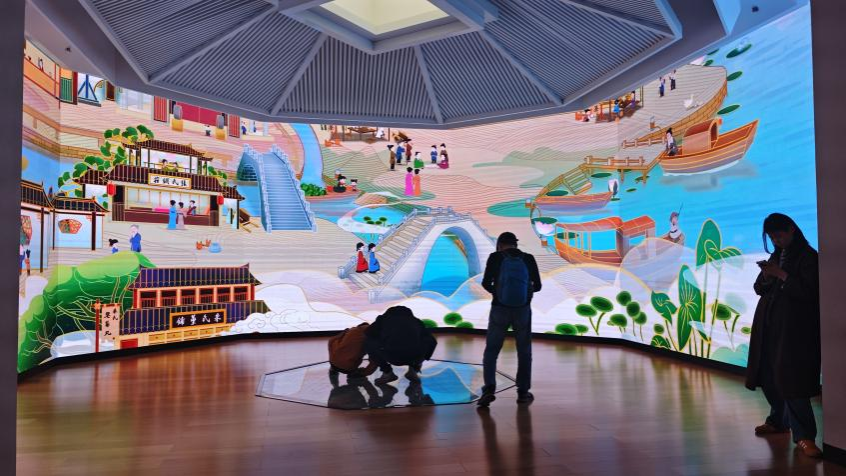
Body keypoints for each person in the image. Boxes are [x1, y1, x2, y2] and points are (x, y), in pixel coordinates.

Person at [745, 213, 822, 458]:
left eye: (779, 235)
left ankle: (805, 436)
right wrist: (767, 276)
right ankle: (778, 420)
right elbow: (759, 288)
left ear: (791, 230)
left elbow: (810, 292)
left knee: (792, 379)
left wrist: (781, 275)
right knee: (769, 374)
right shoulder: (777, 256)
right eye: (772, 237)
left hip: (794, 328)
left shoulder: (808, 257)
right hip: (770, 325)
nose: (776, 241)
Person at [478, 232, 542, 407]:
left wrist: (497, 293)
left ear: (500, 244)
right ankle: (523, 392)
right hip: (522, 310)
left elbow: (485, 283)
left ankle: (489, 389)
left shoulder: (495, 257)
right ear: (515, 244)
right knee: (524, 351)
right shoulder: (528, 258)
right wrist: (526, 295)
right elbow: (538, 286)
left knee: (492, 350)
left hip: (499, 309)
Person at [363, 306, 438, 384]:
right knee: (427, 340)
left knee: (369, 341)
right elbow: (433, 342)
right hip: (414, 357)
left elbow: (368, 333)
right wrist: (423, 357)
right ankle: (414, 370)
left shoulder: (382, 319)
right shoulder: (416, 321)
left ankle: (387, 372)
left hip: (391, 356)